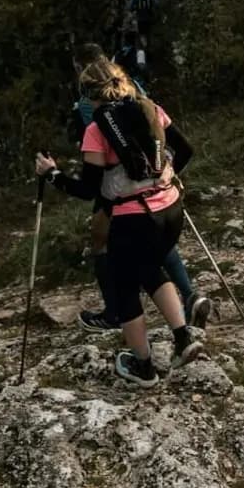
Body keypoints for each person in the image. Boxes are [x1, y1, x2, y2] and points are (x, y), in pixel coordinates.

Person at [37, 58, 203, 386]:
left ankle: (143, 367)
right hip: (171, 209)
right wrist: (166, 181)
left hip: (134, 218)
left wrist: (52, 174)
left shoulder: (97, 131)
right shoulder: (149, 108)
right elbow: (185, 149)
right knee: (152, 270)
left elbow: (88, 190)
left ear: (88, 95)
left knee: (124, 288)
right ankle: (184, 338)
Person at [63, 44, 211, 333]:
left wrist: (55, 173)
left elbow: (98, 150)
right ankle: (189, 297)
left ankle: (115, 313)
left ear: (81, 70)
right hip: (158, 181)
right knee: (156, 245)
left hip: (120, 186)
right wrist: (165, 176)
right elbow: (174, 140)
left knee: (107, 245)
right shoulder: (132, 87)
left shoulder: (88, 103)